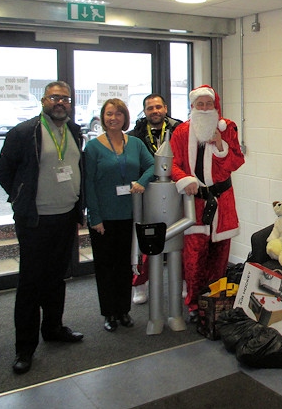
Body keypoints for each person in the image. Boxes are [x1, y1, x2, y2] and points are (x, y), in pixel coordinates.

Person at [0, 81, 85, 375]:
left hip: (65, 217)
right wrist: (20, 197)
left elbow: (76, 168)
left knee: (57, 277)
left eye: (65, 98)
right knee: (31, 284)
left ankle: (54, 328)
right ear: (44, 100)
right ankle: (25, 347)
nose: (60, 103)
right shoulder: (25, 132)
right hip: (35, 220)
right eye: (54, 98)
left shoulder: (73, 131)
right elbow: (4, 171)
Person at [169, 85, 244, 322]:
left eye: (208, 104)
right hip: (196, 203)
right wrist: (184, 179)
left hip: (223, 203)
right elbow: (171, 164)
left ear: (215, 106)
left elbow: (235, 162)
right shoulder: (181, 132)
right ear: (192, 107)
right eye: (199, 104)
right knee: (194, 257)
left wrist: (220, 144)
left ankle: (216, 302)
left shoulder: (227, 128)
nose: (203, 108)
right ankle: (193, 304)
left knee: (220, 256)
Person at [84, 98, 155, 332]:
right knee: (106, 267)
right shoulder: (93, 148)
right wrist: (95, 218)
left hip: (129, 215)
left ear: (125, 117)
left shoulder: (134, 143)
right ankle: (109, 313)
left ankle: (123, 310)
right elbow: (89, 185)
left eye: (118, 114)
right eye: (108, 114)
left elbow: (154, 165)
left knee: (125, 265)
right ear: (103, 118)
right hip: (104, 217)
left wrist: (142, 182)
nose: (113, 118)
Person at [127, 93, 183, 304]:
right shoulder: (136, 134)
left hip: (175, 190)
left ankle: (184, 281)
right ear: (145, 112)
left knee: (181, 239)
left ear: (166, 108)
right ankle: (140, 284)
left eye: (158, 107)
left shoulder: (180, 130)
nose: (155, 111)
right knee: (144, 238)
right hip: (147, 191)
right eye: (150, 108)